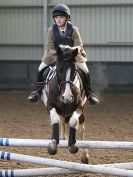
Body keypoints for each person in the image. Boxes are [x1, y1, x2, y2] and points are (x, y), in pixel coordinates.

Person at [28, 3, 99, 105]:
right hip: (55, 57)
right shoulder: (51, 31)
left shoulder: (74, 30)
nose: (58, 19)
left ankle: (89, 94)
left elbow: (79, 45)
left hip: (73, 57)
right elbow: (51, 47)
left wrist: (71, 52)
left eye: (61, 17)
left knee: (85, 71)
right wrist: (60, 54)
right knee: (40, 69)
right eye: (56, 17)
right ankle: (36, 93)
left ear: (67, 18)